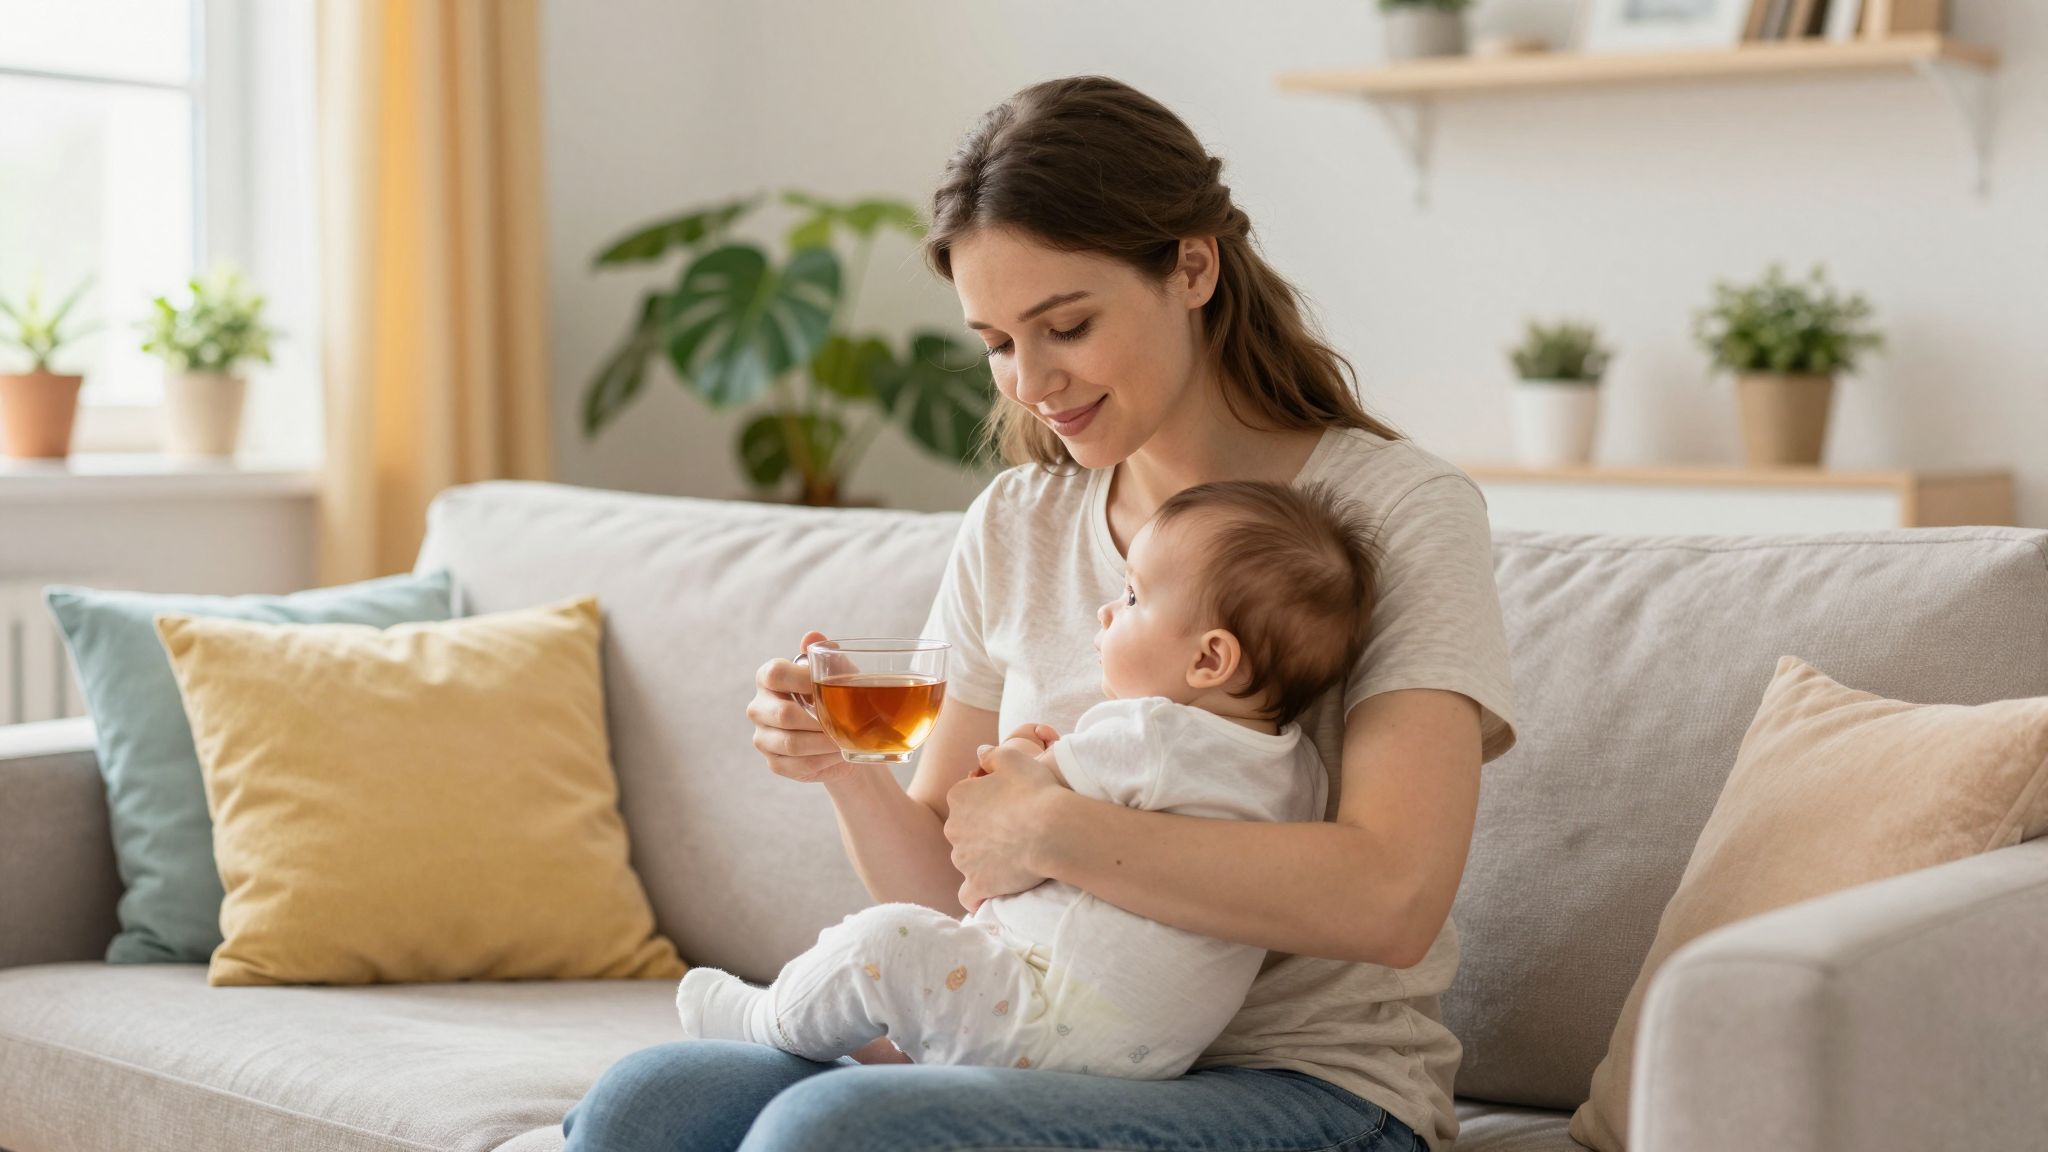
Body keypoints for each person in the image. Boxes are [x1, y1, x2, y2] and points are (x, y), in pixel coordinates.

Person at [563, 73, 1517, 1152]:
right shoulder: (1015, 524)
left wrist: (1055, 827)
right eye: (996, 342)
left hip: (1311, 1089)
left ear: (1191, 267)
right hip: (1035, 1048)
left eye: (1063, 325)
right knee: (645, 1106)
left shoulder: (1394, 512)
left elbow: (1391, 899)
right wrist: (847, 769)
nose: (1028, 382)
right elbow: (951, 887)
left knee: (833, 1130)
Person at [673, 480, 1373, 1081]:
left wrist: (1014, 754)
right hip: (1147, 1053)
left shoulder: (1147, 733)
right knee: (659, 1099)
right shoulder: (1299, 772)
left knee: (886, 942)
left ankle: (768, 1021)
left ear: (1211, 659)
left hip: (1050, 1011)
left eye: (1131, 598)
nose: (1106, 610)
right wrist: (852, 766)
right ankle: (877, 1047)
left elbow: (992, 815)